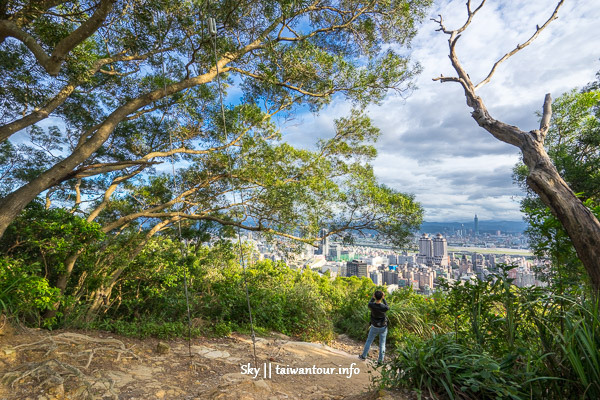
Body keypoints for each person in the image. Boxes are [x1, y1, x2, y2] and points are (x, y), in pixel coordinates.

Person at [359, 290, 389, 365]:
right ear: (381, 297)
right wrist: (384, 298)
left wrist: (373, 298)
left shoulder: (371, 305)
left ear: (374, 296)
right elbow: (387, 307)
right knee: (382, 344)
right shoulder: (383, 307)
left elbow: (370, 303)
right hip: (383, 327)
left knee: (369, 341)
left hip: (374, 326)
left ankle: (363, 356)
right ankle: (380, 361)